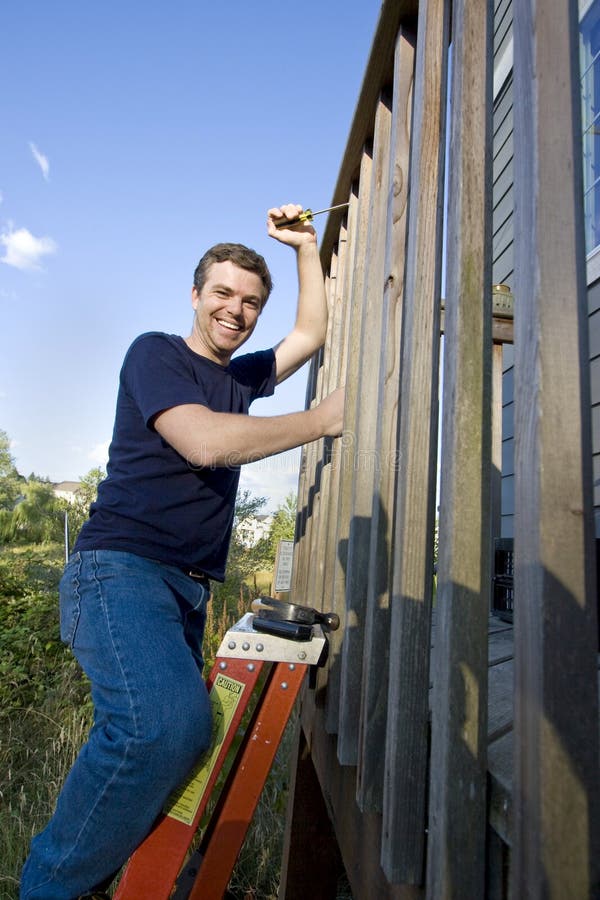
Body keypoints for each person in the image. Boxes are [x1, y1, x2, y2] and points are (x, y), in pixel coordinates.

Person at [20, 204, 344, 900]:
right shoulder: (156, 354)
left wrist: (305, 246)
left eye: (252, 302)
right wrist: (319, 421)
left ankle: (114, 882)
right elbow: (203, 442)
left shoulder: (241, 378)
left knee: (179, 741)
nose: (237, 310)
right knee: (162, 729)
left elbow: (312, 332)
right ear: (195, 295)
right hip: (119, 571)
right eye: (224, 293)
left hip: (183, 589)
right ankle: (49, 889)